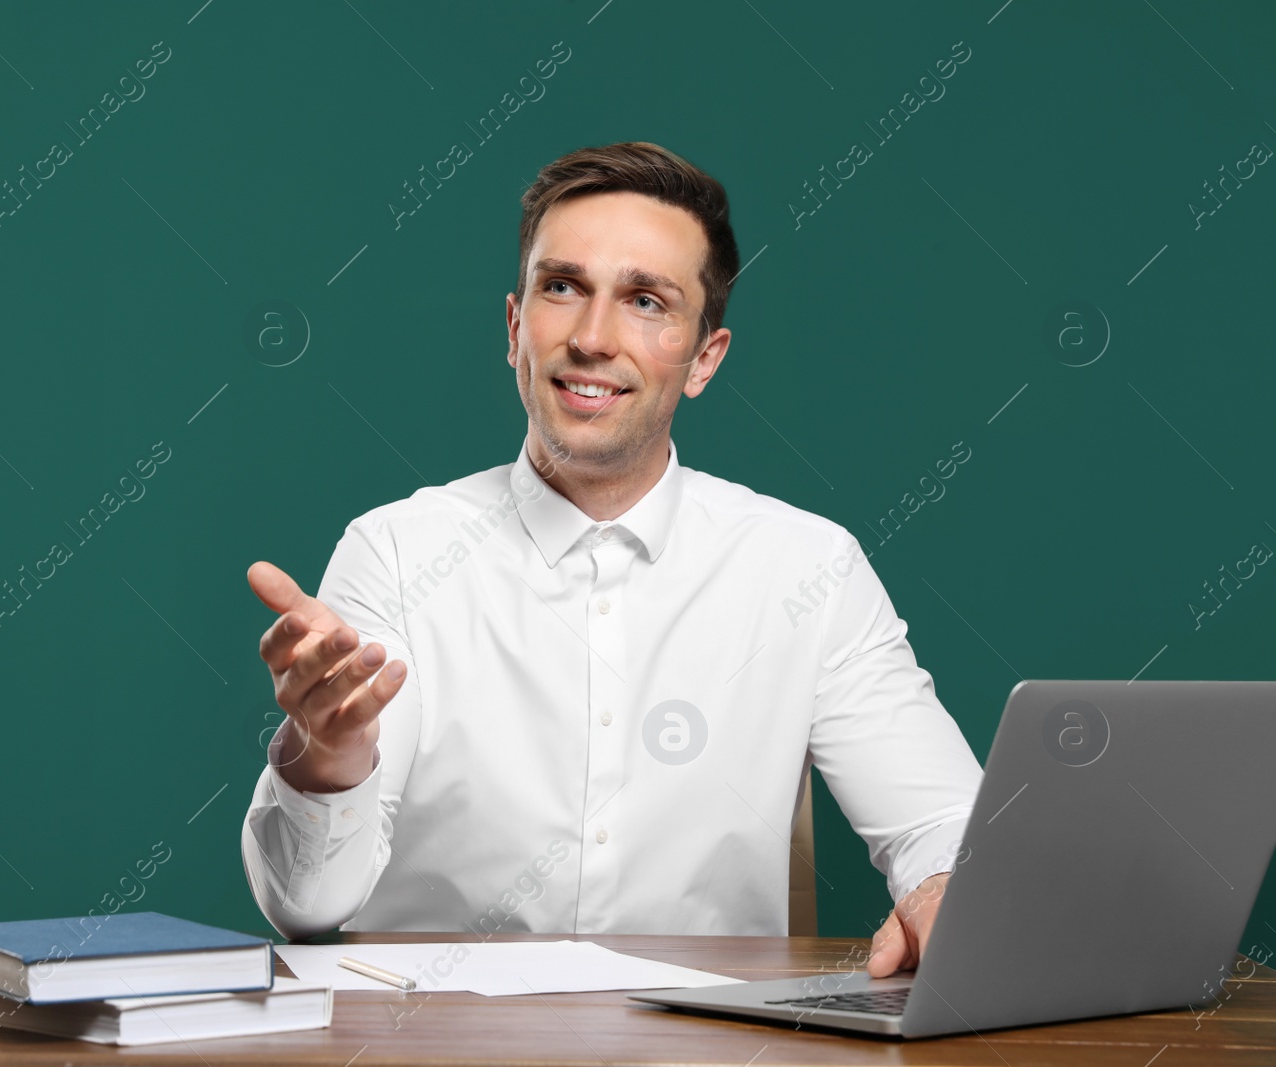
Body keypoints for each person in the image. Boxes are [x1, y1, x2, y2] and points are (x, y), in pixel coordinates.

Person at [242, 141, 982, 979]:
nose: (593, 337)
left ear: (704, 357)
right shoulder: (396, 551)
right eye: (563, 287)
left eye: (645, 300)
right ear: (517, 328)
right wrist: (329, 762)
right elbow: (306, 908)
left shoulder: (809, 567)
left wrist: (945, 886)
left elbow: (942, 822)